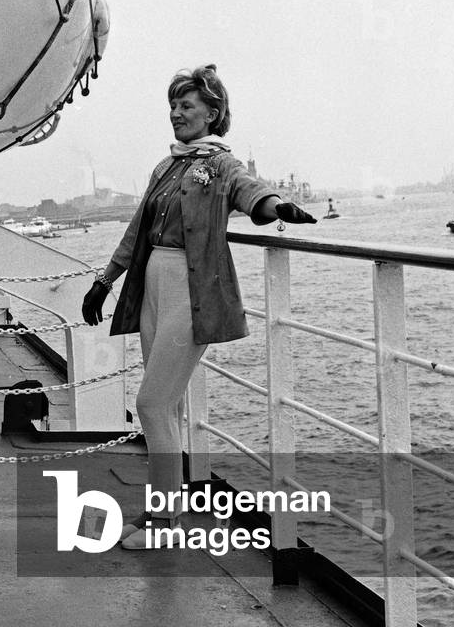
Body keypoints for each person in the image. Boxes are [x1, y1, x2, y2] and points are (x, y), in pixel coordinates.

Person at [81, 63, 316, 549]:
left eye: (186, 106)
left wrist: (279, 208)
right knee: (163, 409)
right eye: (173, 106)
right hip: (152, 286)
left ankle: (166, 527)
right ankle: (158, 515)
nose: (176, 114)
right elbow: (136, 231)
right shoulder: (166, 167)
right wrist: (105, 281)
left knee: (151, 404)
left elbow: (250, 193)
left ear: (213, 113)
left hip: (190, 289)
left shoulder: (222, 164)